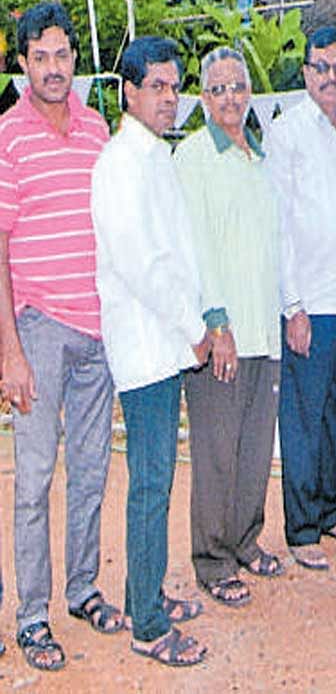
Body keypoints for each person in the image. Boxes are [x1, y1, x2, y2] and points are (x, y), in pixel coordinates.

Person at [0, 1, 122, 672]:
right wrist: (10, 351)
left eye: (61, 55)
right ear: (22, 64)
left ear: (76, 59)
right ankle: (32, 617)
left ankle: (82, 590)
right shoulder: (8, 136)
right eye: (38, 56)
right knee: (34, 479)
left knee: (92, 471)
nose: (52, 68)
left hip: (97, 329)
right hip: (39, 330)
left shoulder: (98, 127)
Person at [92, 35, 210, 667]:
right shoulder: (120, 163)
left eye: (174, 86)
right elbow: (142, 264)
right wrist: (193, 327)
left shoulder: (153, 155)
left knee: (159, 480)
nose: (170, 98)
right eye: (157, 87)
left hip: (165, 343)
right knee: (152, 483)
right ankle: (147, 623)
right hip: (147, 346)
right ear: (128, 92)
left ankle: (149, 589)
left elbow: (177, 252)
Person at [174, 47, 283, 605]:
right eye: (218, 89)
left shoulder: (258, 157)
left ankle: (245, 541)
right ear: (202, 98)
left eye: (238, 87)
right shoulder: (193, 158)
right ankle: (213, 561)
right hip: (224, 334)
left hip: (265, 330)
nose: (231, 98)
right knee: (217, 452)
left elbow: (270, 247)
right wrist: (218, 325)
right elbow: (196, 250)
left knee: (254, 448)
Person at [266, 26, 336, 571]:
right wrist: (293, 305)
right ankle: (302, 526)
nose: (330, 77)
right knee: (303, 420)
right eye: (320, 67)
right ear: (305, 73)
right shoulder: (287, 134)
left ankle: (328, 508)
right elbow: (279, 225)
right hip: (310, 307)